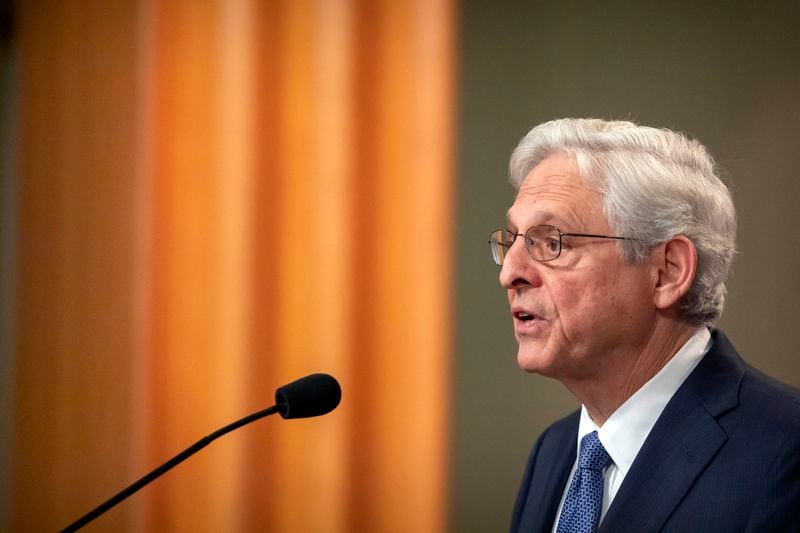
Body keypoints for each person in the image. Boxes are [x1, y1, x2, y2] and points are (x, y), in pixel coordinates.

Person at [491, 118, 800, 532]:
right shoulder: (554, 452)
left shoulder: (785, 451)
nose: (510, 272)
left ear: (667, 271)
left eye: (551, 243)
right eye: (511, 240)